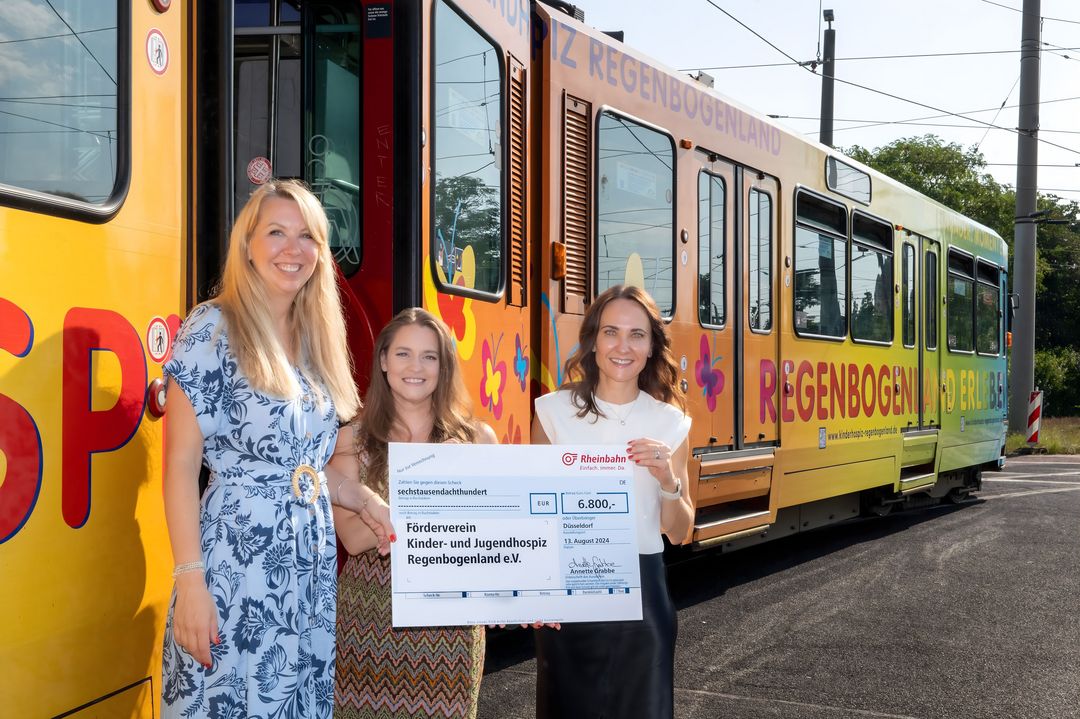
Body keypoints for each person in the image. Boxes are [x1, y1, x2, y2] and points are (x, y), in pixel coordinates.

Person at [160, 179, 392, 718]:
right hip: (235, 567)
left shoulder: (315, 340)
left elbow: (301, 470)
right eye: (276, 233)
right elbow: (179, 467)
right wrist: (190, 581)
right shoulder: (213, 327)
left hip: (304, 575)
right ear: (248, 245)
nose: (293, 249)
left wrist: (361, 500)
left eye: (306, 235)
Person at [532, 284, 693, 719]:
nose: (623, 346)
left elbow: (680, 532)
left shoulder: (670, 423)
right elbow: (535, 518)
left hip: (643, 601)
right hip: (570, 596)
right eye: (611, 332)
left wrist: (667, 479)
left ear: (652, 346)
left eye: (637, 334)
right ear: (593, 340)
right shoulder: (552, 412)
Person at [332, 307, 498, 719]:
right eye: (403, 354)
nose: (416, 367)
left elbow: (497, 534)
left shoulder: (478, 439)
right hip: (367, 623)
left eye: (430, 356)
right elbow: (352, 537)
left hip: (452, 631)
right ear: (384, 361)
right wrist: (434, 493)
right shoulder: (350, 437)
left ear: (444, 367)